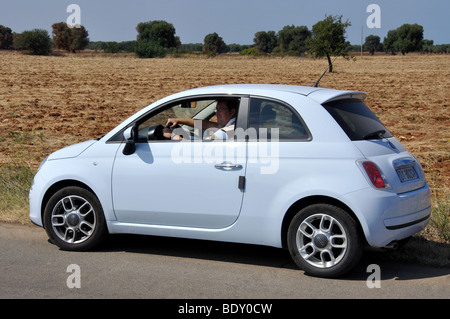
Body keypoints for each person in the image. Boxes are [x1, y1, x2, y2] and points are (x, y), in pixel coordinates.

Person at [163, 99, 238, 140]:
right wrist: (179, 120)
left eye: (221, 109)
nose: (216, 113)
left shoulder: (223, 133)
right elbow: (206, 124)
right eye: (216, 109)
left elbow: (198, 150)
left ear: (232, 112)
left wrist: (172, 136)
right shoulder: (234, 124)